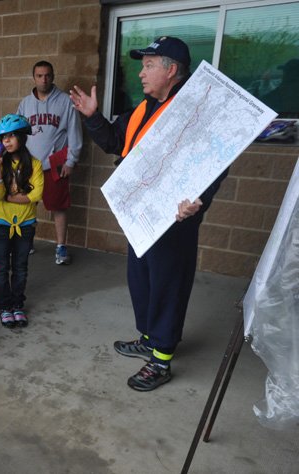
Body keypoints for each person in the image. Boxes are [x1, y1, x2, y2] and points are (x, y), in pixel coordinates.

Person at [70, 36, 228, 391]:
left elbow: (218, 160)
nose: (141, 72)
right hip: (141, 214)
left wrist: (200, 199)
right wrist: (94, 117)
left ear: (172, 70)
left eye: (149, 65)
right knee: (141, 280)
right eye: (142, 65)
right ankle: (149, 338)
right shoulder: (144, 109)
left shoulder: (193, 111)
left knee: (168, 285)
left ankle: (162, 360)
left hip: (175, 218)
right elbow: (114, 141)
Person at [17, 60, 82, 265]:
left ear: (53, 76)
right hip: (29, 164)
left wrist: (71, 160)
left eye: (47, 75)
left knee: (59, 206)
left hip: (55, 163)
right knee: (27, 204)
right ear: (33, 77)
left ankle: (61, 246)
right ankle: (27, 242)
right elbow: (17, 133)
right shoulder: (25, 103)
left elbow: (74, 133)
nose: (43, 79)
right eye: (39, 75)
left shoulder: (64, 101)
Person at [0, 114, 44, 329]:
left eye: (11, 136)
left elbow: (36, 194)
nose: (7, 141)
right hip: (0, 223)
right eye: (3, 138)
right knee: (1, 267)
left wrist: (9, 197)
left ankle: (17, 305)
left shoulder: (35, 165)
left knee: (20, 267)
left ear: (21, 137)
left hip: (25, 224)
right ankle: (4, 306)